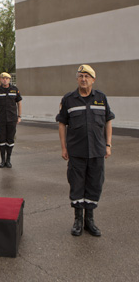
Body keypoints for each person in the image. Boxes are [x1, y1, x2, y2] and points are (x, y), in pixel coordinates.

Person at [56, 64, 114, 237]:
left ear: (93, 80)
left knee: (94, 185)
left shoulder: (101, 98)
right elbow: (61, 123)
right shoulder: (69, 99)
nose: (83, 79)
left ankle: (90, 220)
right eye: (81, 76)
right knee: (76, 185)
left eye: (87, 76)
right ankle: (78, 220)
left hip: (97, 151)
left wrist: (108, 144)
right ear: (77, 79)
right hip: (76, 152)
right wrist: (64, 147)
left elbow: (108, 121)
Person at [0, 72, 22, 168]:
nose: (5, 80)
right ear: (0, 79)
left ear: (9, 80)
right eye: (3, 78)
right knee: (2, 140)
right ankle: (2, 160)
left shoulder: (15, 90)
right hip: (1, 119)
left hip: (12, 119)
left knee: (10, 139)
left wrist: (19, 116)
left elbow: (19, 103)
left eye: (7, 78)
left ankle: (8, 160)